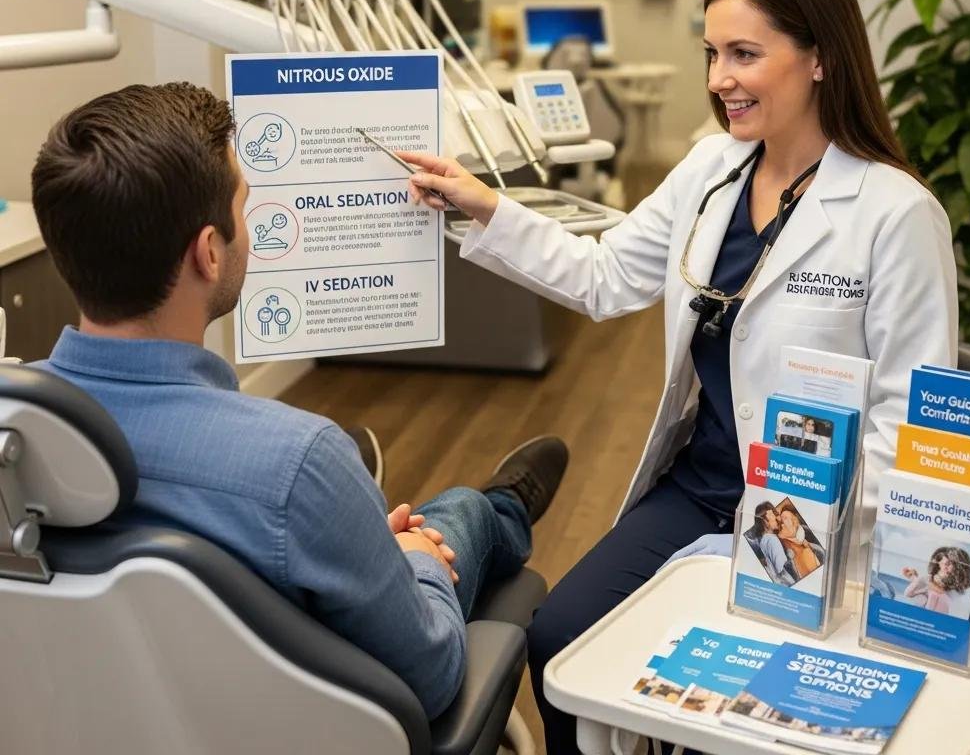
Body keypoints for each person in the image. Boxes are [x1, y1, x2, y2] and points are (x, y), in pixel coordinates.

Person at [398, 0, 958, 752]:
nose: (718, 78)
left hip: (820, 525)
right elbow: (604, 277)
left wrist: (793, 538)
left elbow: (909, 429)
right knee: (561, 636)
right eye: (711, 54)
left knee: (719, 702)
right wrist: (487, 208)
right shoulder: (711, 171)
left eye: (744, 54)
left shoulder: (895, 217)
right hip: (701, 488)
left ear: (820, 61)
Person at [28, 82, 569, 721]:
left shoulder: (16, 434)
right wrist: (417, 564)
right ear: (208, 251)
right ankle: (502, 507)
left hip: (91, 713)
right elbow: (434, 675)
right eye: (244, 208)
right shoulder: (295, 460)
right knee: (455, 517)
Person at [902, 546, 970, 617]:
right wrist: (915, 579)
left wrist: (927, 585)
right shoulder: (929, 580)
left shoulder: (960, 598)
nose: (945, 568)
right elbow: (909, 593)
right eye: (942, 564)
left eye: (950, 564)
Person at [747, 501, 793, 586]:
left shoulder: (764, 540)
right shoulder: (772, 540)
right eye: (774, 516)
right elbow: (781, 571)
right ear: (764, 521)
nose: (778, 519)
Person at [777, 507, 821, 580]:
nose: (781, 522)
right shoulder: (779, 544)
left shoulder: (807, 551)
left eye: (785, 518)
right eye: (782, 519)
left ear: (796, 522)